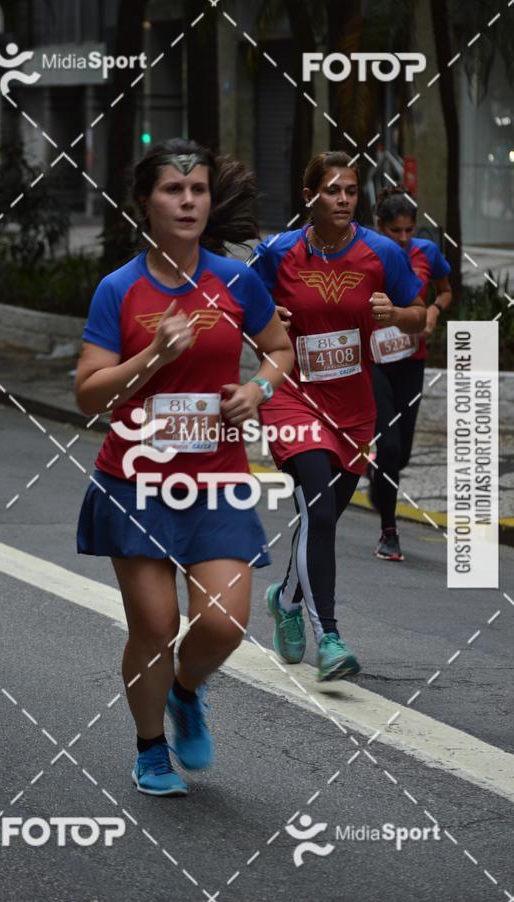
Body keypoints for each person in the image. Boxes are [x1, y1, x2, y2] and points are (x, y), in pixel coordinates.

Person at [74, 139, 293, 796]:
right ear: (146, 203)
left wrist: (258, 389)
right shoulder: (119, 289)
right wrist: (154, 357)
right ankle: (150, 750)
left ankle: (185, 690)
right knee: (155, 626)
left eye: (198, 189)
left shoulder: (237, 281)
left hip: (217, 481)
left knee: (224, 624)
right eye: (174, 189)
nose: (189, 200)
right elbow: (88, 394)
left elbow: (279, 349)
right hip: (135, 482)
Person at [251, 151, 425, 676]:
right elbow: (239, 310)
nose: (344, 199)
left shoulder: (381, 253)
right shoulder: (278, 253)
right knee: (319, 511)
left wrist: (397, 314)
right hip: (292, 397)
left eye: (350, 190)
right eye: (332, 190)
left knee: (322, 519)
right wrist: (267, 317)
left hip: (353, 407)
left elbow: (419, 316)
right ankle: (328, 636)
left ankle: (285, 597)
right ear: (310, 197)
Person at [369, 184, 452, 561]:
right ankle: (389, 532)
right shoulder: (366, 254)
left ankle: (378, 474)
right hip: (374, 363)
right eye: (394, 230)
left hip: (411, 361)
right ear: (380, 227)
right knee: (388, 446)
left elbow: (445, 290)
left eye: (408, 230)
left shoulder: (427, 252)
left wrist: (432, 311)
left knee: (400, 454)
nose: (403, 238)